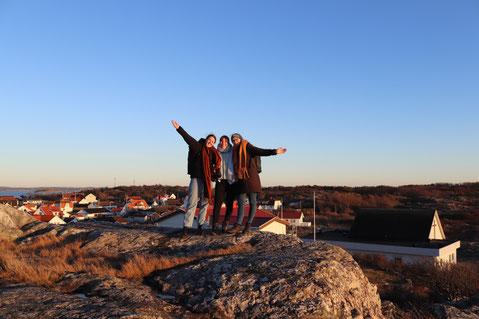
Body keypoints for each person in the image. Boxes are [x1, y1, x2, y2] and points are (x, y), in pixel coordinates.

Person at [228, 133, 287, 234]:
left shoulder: (246, 145)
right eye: (233, 141)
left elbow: (260, 151)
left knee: (252, 201)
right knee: (241, 201)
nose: (235, 142)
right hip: (241, 178)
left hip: (251, 177)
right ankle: (238, 225)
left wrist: (275, 151)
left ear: (240, 139)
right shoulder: (233, 151)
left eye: (236, 140)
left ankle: (248, 225)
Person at [172, 120, 221, 238]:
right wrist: (179, 128)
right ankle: (186, 228)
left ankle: (200, 226)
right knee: (192, 202)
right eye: (209, 140)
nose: (210, 142)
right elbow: (187, 138)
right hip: (196, 179)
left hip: (208, 181)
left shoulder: (213, 153)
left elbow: (216, 166)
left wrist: (215, 173)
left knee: (204, 203)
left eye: (213, 141)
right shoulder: (198, 147)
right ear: (206, 139)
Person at [211, 135, 236, 234]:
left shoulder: (232, 151)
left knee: (230, 203)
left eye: (225, 141)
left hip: (230, 180)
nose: (223, 143)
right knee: (217, 203)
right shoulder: (216, 151)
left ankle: (225, 223)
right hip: (220, 179)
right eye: (221, 141)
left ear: (228, 142)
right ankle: (215, 225)